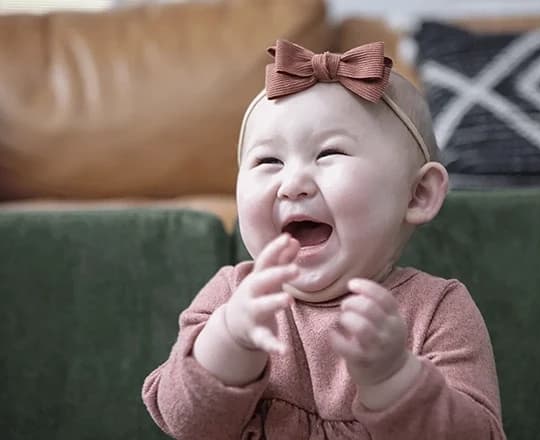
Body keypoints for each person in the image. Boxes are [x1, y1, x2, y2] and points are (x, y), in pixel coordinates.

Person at [142, 39, 505, 439]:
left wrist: (393, 378)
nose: (292, 184)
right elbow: (185, 422)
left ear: (418, 194)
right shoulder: (231, 296)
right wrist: (230, 340)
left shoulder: (438, 310)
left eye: (329, 153)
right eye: (268, 161)